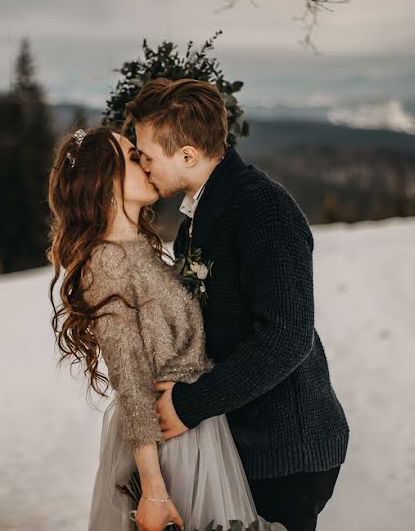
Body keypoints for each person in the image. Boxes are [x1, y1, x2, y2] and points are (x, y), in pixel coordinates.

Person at [126, 78, 350, 531]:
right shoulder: (199, 215)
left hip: (286, 451)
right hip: (245, 440)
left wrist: (191, 405)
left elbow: (287, 339)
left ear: (187, 155)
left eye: (147, 154)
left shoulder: (264, 211)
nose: (142, 163)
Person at [47, 126, 273, 531]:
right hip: (167, 444)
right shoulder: (106, 263)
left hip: (195, 425)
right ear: (105, 179)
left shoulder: (143, 248)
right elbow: (131, 382)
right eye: (133, 157)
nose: (146, 163)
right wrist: (153, 490)